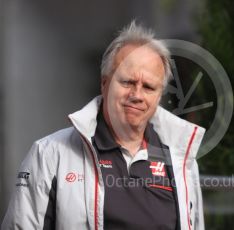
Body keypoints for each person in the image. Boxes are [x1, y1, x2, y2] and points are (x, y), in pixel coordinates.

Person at [1, 21, 205, 230]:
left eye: (149, 87)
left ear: (159, 96)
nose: (137, 95)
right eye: (127, 82)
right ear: (105, 83)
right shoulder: (49, 155)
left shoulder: (180, 159)